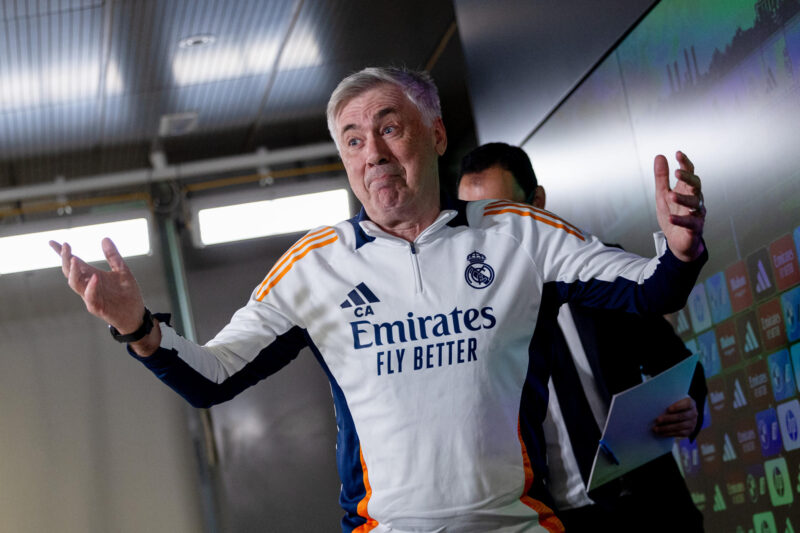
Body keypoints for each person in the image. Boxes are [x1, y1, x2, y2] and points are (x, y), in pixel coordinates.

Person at [50, 67, 707, 533]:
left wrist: (679, 250)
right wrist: (137, 326)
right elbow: (212, 376)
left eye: (390, 128)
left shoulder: (518, 234)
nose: (375, 155)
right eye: (354, 140)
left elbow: (650, 291)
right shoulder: (313, 268)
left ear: (436, 135)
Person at [458, 142, 706, 532]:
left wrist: (689, 407)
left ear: (537, 202)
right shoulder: (465, 320)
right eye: (476, 223)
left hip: (650, 506)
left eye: (503, 216)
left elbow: (676, 362)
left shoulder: (600, 274)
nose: (491, 239)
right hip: (557, 520)